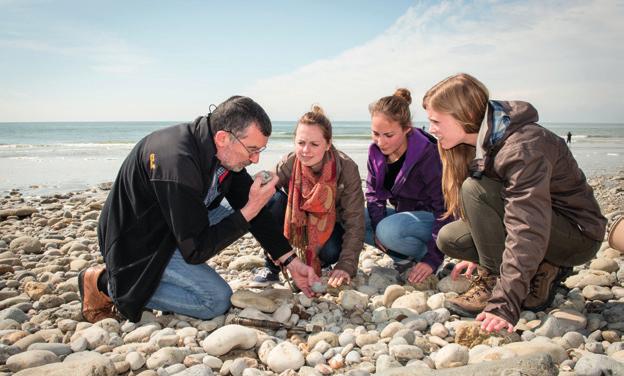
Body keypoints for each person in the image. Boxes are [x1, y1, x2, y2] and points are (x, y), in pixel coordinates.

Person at [79, 96, 321, 323]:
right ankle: (106, 283)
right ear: (223, 138)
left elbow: (247, 204)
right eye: (252, 150)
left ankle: (149, 283)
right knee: (215, 301)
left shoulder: (218, 150)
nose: (256, 159)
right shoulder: (177, 163)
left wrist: (290, 261)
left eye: (260, 150)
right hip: (140, 243)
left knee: (262, 198)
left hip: (177, 223)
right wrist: (248, 210)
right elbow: (196, 250)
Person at [423, 73, 607, 333]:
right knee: (451, 238)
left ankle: (503, 281)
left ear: (461, 114)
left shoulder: (522, 147)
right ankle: (537, 269)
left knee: (474, 189)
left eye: (435, 121)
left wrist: (504, 305)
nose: (431, 129)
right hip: (540, 225)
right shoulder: (479, 142)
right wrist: (482, 250)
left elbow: (527, 227)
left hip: (576, 236)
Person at [253, 105, 365, 288]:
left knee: (331, 251)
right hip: (296, 226)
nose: (305, 150)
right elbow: (261, 193)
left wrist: (346, 265)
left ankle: (314, 264)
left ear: (328, 144)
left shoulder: (347, 169)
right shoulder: (290, 162)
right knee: (271, 200)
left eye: (314, 144)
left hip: (327, 228)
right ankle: (272, 267)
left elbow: (355, 220)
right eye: (301, 143)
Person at [365, 88, 449, 283]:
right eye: (375, 133)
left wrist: (432, 259)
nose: (380, 142)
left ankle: (424, 258)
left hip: (434, 220)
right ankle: (402, 258)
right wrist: (377, 227)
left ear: (406, 129)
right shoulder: (375, 152)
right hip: (405, 218)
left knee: (388, 230)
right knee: (354, 217)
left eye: (388, 135)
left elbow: (444, 208)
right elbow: (373, 195)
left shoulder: (428, 154)